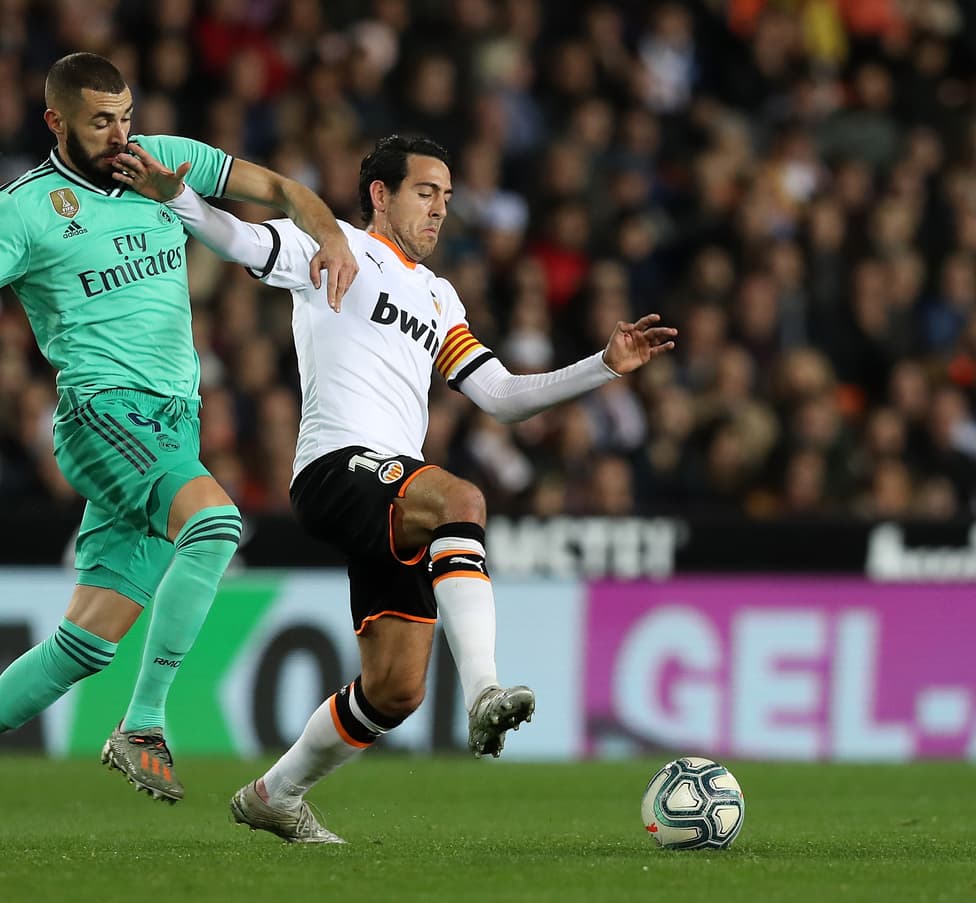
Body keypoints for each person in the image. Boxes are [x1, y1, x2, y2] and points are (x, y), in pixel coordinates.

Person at [114, 134, 675, 843]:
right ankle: (485, 691)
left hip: (393, 495)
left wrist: (604, 364)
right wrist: (179, 197)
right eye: (425, 192)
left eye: (446, 197)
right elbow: (241, 239)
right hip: (335, 467)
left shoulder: (439, 295)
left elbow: (500, 395)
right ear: (380, 193)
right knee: (463, 499)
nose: (440, 209)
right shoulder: (333, 244)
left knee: (396, 688)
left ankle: (272, 794)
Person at [0, 52, 357, 847]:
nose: (121, 133)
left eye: (126, 115)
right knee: (214, 523)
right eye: (101, 121)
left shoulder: (165, 162)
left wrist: (331, 237)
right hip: (103, 414)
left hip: (173, 423)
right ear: (55, 122)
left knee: (85, 645)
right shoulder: (23, 209)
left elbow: (279, 190)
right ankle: (142, 723)